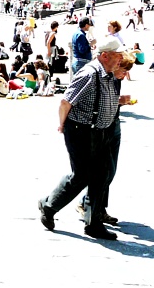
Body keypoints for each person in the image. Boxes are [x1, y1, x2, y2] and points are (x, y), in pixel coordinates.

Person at [37, 37, 125, 240]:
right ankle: (49, 206)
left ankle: (93, 224)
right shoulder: (89, 74)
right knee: (82, 175)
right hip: (80, 130)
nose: (121, 58)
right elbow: (65, 102)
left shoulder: (109, 74)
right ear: (105, 55)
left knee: (102, 174)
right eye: (117, 54)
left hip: (101, 130)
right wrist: (62, 125)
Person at [77, 51, 135, 225]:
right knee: (104, 170)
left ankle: (98, 208)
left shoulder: (115, 79)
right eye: (123, 70)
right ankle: (91, 206)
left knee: (109, 170)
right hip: (103, 126)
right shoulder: (103, 76)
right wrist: (119, 101)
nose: (124, 75)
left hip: (113, 123)